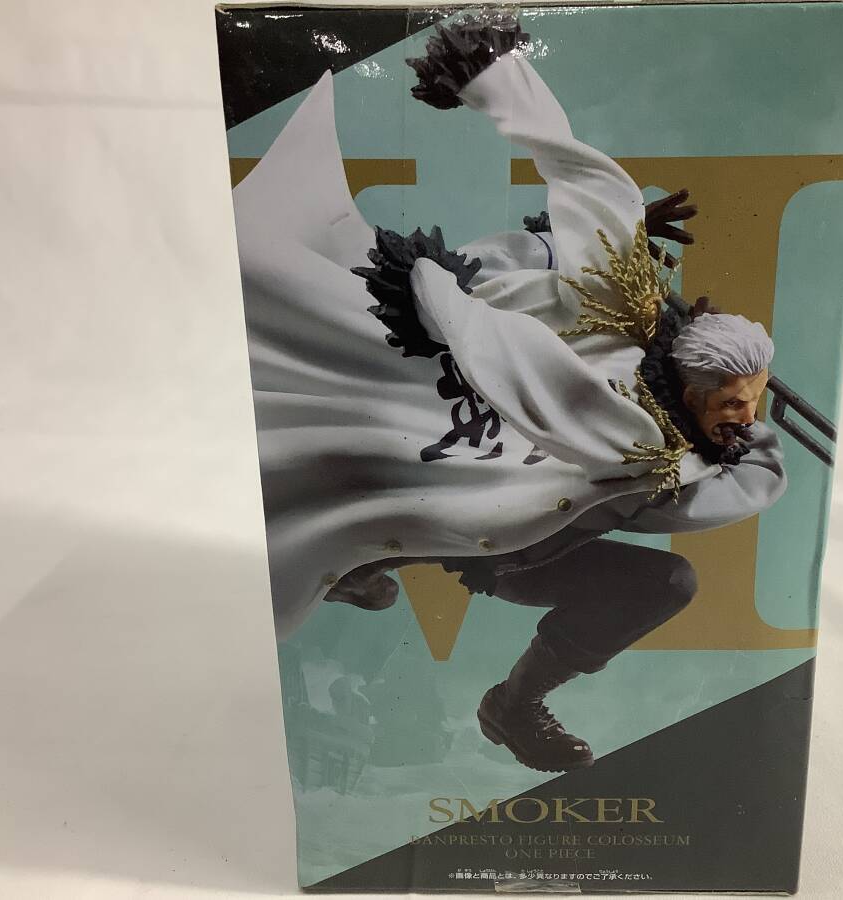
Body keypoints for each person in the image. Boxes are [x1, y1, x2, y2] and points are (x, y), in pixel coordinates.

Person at [231, 14, 787, 773]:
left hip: (526, 542)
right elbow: (588, 205)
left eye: (752, 401)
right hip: (472, 457)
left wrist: (619, 235)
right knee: (401, 470)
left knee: (665, 581)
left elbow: (598, 208)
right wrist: (491, 80)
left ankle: (514, 705)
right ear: (691, 389)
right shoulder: (635, 435)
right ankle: (360, 552)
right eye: (731, 405)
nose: (745, 418)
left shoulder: (640, 332)